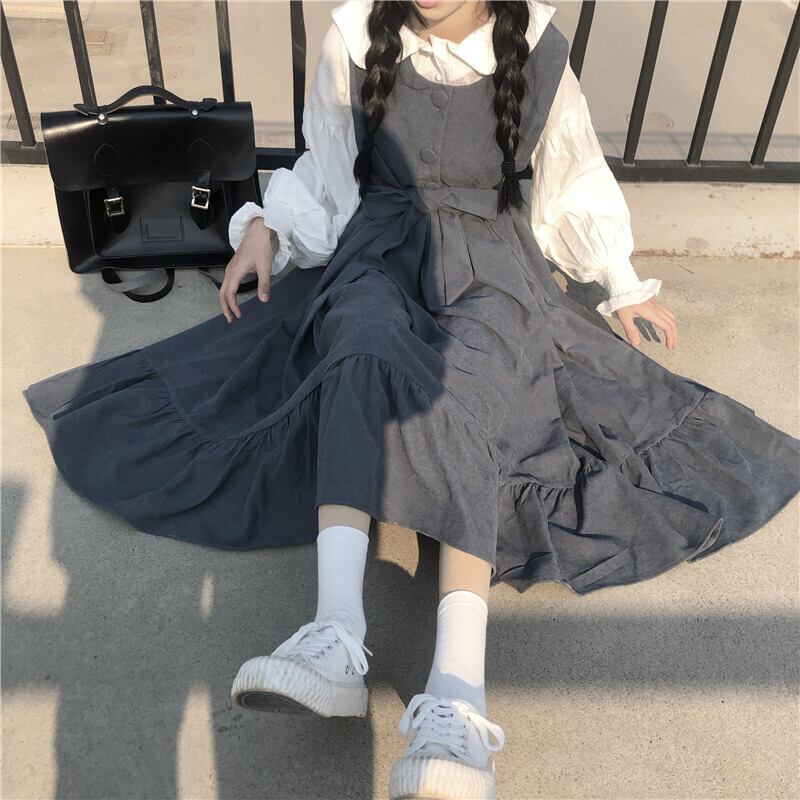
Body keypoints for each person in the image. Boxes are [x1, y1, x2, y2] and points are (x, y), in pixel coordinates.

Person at [22, 1, 800, 799]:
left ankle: (458, 696)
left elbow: (573, 170)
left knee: (471, 384)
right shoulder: (356, 35)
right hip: (379, 243)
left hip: (494, 257)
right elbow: (328, 166)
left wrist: (621, 279)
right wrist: (265, 230)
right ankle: (334, 634)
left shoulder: (535, 43)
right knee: (358, 349)